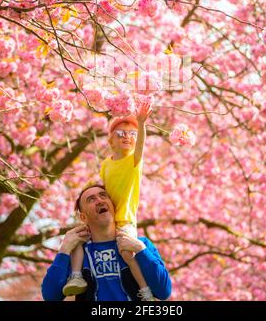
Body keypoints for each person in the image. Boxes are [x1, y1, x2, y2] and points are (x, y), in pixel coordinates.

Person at [61, 102, 155, 300]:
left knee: (127, 253)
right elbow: (104, 190)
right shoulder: (106, 165)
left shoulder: (134, 162)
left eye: (132, 134)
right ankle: (77, 276)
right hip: (108, 218)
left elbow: (141, 147)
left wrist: (141, 123)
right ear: (111, 140)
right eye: (121, 133)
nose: (127, 137)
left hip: (125, 220)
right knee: (78, 236)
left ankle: (145, 290)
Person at [41, 184, 171, 301]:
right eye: (91, 199)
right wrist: (64, 250)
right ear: (83, 217)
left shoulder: (140, 245)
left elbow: (163, 291)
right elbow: (50, 296)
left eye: (103, 196)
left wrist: (140, 250)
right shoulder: (77, 255)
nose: (100, 200)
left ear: (113, 207)